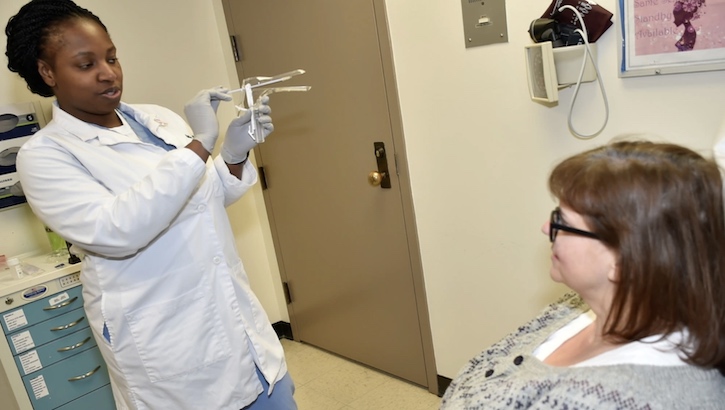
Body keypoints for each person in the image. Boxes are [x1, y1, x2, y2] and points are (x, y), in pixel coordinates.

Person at [5, 0, 296, 409]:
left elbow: (200, 202)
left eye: (112, 57)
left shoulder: (158, 119)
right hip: (166, 343)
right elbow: (115, 231)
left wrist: (231, 154)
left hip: (239, 327)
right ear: (47, 72)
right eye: (86, 64)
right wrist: (198, 146)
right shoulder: (45, 154)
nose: (108, 73)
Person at [441, 140, 725, 409]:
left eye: (563, 223)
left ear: (625, 261)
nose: (545, 228)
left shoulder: (616, 399)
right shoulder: (575, 308)